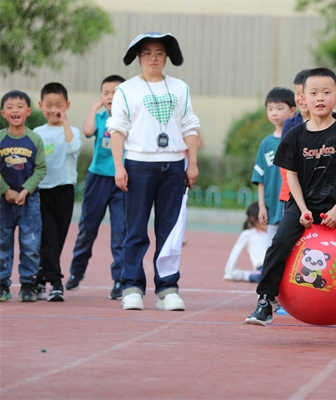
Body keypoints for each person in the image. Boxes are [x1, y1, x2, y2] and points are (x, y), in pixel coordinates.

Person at [245, 68, 336, 326]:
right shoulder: (294, 135)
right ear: (303, 99)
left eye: (326, 92)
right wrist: (301, 209)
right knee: (279, 242)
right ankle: (265, 302)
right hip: (303, 203)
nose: (320, 98)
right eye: (313, 93)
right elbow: (291, 177)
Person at [107, 32, 200, 311]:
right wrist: (119, 165)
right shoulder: (126, 90)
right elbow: (117, 129)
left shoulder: (180, 88)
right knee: (135, 228)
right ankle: (132, 287)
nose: (153, 58)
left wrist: (192, 163)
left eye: (159, 53)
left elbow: (189, 126)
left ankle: (167, 288)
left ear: (167, 57)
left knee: (170, 230)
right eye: (147, 53)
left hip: (174, 164)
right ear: (138, 57)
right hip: (138, 164)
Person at [66, 75, 126, 300]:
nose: (110, 96)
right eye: (106, 93)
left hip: (122, 180)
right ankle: (77, 271)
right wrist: (93, 108)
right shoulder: (100, 118)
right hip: (98, 179)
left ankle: (119, 279)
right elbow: (87, 130)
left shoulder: (131, 120)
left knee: (120, 232)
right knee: (87, 228)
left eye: (116, 92)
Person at [33, 83, 82, 302]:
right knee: (49, 238)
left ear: (67, 105)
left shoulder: (72, 131)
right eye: (49, 105)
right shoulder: (37, 133)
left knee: (58, 238)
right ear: (40, 105)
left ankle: (39, 280)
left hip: (64, 190)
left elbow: (73, 148)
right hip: (42, 191)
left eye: (59, 105)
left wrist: (65, 123)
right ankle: (56, 283)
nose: (54, 110)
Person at [0, 90, 47, 302]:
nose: (15, 110)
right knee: (2, 242)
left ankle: (28, 284)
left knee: (30, 244)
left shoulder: (35, 139)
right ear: (3, 113)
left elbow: (41, 169)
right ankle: (2, 284)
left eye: (20, 107)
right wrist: (6, 190)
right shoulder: (1, 138)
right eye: (10, 107)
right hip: (3, 201)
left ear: (28, 111)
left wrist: (26, 190)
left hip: (30, 201)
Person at [252, 87, 295, 243]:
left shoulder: (296, 138)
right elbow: (260, 178)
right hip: (272, 206)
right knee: (272, 246)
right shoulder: (266, 144)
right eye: (270, 109)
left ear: (292, 111)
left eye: (279, 108)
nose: (274, 113)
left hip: (293, 205)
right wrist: (262, 206)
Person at [279, 69, 311, 203]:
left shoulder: (333, 122)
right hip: (292, 192)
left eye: (306, 93)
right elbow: (285, 161)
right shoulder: (290, 124)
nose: (301, 98)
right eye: (298, 93)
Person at [223, 202, 269, 282]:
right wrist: (228, 273)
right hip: (262, 267)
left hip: (273, 265)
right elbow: (235, 253)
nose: (266, 220)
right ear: (253, 219)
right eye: (263, 217)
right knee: (265, 278)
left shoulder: (271, 233)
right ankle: (246, 275)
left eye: (267, 216)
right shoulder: (248, 234)